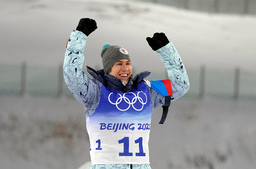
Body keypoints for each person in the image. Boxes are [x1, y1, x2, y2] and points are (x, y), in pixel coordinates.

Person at [63, 18, 190, 169]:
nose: (125, 68)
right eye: (119, 64)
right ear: (109, 68)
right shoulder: (95, 93)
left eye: (128, 63)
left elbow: (181, 85)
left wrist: (166, 50)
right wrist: (80, 35)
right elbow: (72, 74)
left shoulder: (146, 92)